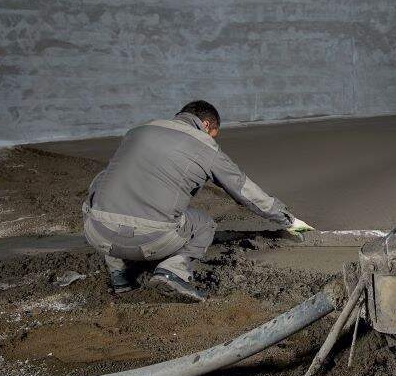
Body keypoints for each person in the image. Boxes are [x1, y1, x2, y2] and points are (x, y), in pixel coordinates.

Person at [82, 100, 314, 301]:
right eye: (213, 134)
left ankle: (120, 276)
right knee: (204, 224)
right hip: (150, 242)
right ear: (205, 125)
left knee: (104, 187)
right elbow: (245, 191)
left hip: (98, 234)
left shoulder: (138, 131)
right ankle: (172, 272)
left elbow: (107, 181)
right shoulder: (205, 146)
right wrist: (288, 219)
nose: (212, 140)